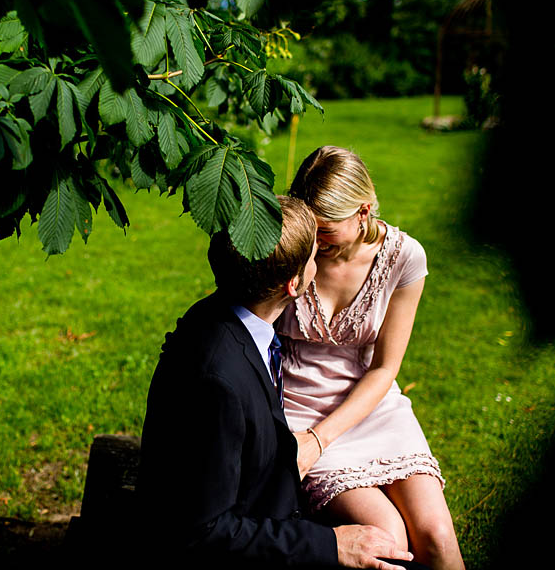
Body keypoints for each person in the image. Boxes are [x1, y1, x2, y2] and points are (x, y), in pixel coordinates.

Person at [139, 196, 420, 569]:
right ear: (294, 284)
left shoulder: (227, 322)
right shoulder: (217, 383)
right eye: (312, 257)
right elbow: (200, 532)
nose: (320, 262)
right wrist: (330, 544)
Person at [278, 147, 464, 570]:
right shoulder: (293, 246)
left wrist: (323, 438)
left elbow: (385, 367)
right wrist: (308, 442)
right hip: (298, 410)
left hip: (372, 405)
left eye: (325, 231)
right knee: (387, 537)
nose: (314, 241)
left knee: (435, 533)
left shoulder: (404, 257)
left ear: (363, 212)